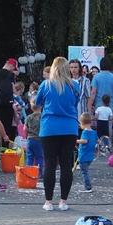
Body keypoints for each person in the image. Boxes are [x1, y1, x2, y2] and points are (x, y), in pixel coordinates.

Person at [35, 57, 79, 211]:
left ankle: (48, 201)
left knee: (50, 165)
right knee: (66, 165)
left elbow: (36, 103)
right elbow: (75, 103)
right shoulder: (75, 85)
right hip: (69, 128)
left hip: (49, 129)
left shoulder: (46, 85)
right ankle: (63, 201)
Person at [0, 58, 18, 139]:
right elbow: (13, 90)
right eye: (14, 68)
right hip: (7, 105)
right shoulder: (10, 75)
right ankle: (7, 148)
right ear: (12, 66)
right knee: (8, 129)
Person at [76, 113, 97, 193]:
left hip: (84, 155)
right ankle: (88, 185)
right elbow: (97, 141)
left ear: (82, 123)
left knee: (84, 172)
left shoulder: (85, 132)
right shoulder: (93, 132)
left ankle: (88, 187)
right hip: (90, 156)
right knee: (86, 170)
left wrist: (76, 141)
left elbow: (84, 141)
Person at [24, 97, 43, 176]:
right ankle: (39, 173)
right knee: (40, 157)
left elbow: (25, 128)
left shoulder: (28, 117)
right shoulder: (43, 117)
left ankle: (29, 173)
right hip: (39, 140)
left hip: (30, 139)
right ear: (41, 106)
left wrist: (26, 136)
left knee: (30, 157)